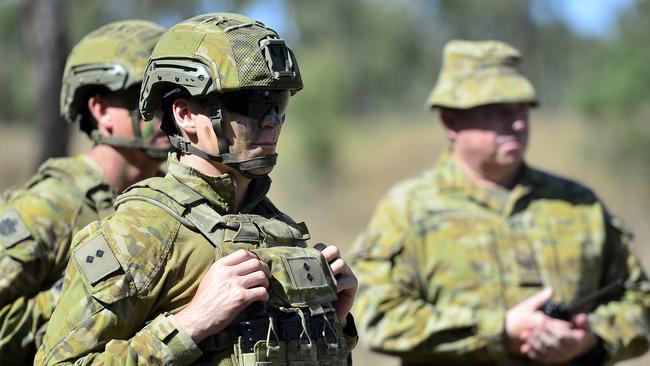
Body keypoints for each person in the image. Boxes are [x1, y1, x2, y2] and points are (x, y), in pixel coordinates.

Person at [35, 12, 358, 365]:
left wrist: (333, 324)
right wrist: (191, 324)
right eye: (250, 103)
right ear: (186, 115)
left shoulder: (279, 229)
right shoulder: (140, 233)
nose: (271, 121)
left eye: (277, 104)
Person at [350, 39, 650, 365]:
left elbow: (638, 300)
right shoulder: (409, 210)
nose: (517, 124)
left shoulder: (578, 205)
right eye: (497, 112)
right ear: (450, 121)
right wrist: (499, 330)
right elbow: (378, 317)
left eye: (522, 109)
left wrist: (591, 338)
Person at [0, 20, 169, 363]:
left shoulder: (170, 200)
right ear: (101, 110)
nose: (169, 115)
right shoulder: (49, 207)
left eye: (174, 97)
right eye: (147, 100)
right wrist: (80, 295)